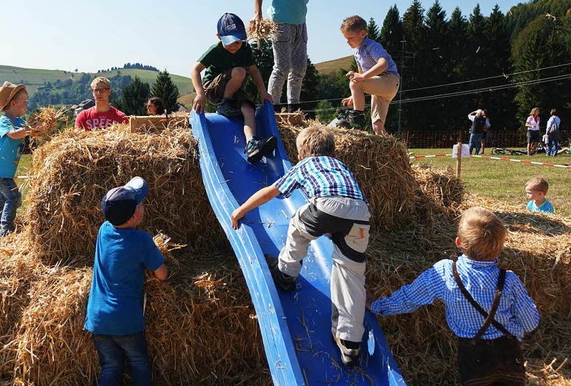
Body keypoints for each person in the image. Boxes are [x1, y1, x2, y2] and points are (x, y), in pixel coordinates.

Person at [231, 126, 370, 368]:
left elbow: (270, 193)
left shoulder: (305, 165)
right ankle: (350, 343)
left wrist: (241, 210)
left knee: (297, 223)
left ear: (303, 152)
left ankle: (286, 272)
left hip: (325, 207)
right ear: (332, 150)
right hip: (360, 216)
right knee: (351, 274)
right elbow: (351, 202)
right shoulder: (343, 166)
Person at [368, 207, 539, 386]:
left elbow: (408, 299)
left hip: (473, 358)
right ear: (500, 246)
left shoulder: (445, 272)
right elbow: (530, 323)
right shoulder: (509, 279)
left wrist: (378, 306)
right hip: (509, 356)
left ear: (458, 242)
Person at [85, 176, 168, 386]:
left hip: (98, 318)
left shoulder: (104, 230)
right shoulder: (142, 240)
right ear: (133, 216)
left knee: (111, 366)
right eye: (140, 204)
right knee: (138, 362)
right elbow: (162, 274)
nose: (143, 205)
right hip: (125, 320)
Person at [191, 12, 277, 164]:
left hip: (234, 89)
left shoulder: (245, 49)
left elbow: (255, 71)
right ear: (219, 37)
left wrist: (264, 92)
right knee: (239, 71)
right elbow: (195, 70)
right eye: (229, 41)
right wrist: (200, 94)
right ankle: (224, 104)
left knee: (249, 109)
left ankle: (251, 144)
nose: (234, 45)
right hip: (213, 89)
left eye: (238, 41)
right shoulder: (215, 50)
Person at [334, 16, 400, 136]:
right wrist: (353, 96)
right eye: (346, 39)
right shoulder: (357, 52)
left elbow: (383, 64)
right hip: (379, 88)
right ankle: (393, 151)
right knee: (377, 125)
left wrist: (362, 77)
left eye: (351, 38)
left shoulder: (372, 46)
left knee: (355, 81)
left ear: (363, 33)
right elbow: (361, 76)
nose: (348, 42)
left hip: (389, 80)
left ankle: (357, 118)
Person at [0, 82, 31, 237]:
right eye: (24, 101)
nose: (26, 104)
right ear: (13, 103)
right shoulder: (4, 121)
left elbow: (25, 129)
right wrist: (29, 130)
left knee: (1, 197)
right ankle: (6, 229)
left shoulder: (20, 121)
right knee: (14, 196)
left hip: (2, 170)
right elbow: (13, 134)